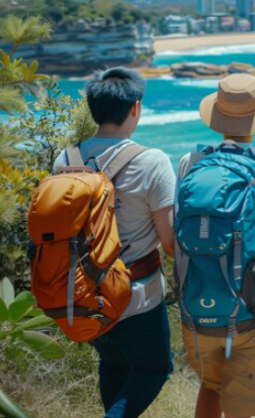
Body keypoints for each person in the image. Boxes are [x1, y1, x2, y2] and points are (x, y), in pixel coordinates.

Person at [53, 67, 175, 418]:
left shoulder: (66, 159)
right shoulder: (151, 161)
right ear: (135, 108)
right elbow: (168, 242)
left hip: (81, 293)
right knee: (153, 370)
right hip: (136, 296)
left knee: (114, 365)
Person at [176, 74, 255, 418]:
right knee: (245, 401)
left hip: (198, 295)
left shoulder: (191, 163)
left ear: (217, 116)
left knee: (210, 386)